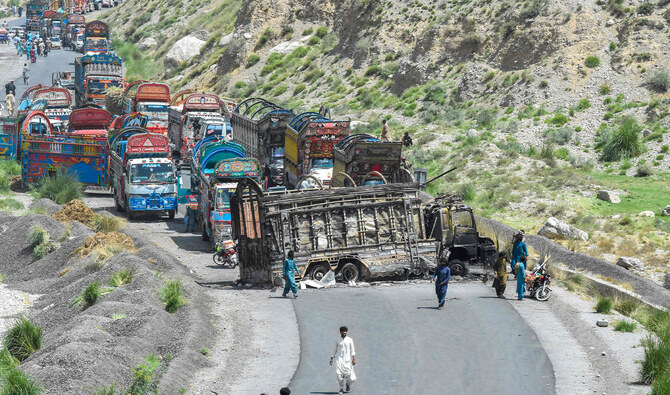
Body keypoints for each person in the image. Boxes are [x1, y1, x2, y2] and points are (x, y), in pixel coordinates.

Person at [330, 326, 356, 394]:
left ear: (347, 332)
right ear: (340, 332)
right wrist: (331, 358)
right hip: (339, 360)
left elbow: (352, 350)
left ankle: (348, 384)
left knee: (350, 376)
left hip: (347, 361)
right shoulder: (337, 340)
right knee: (338, 374)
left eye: (345, 331)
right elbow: (334, 349)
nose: (344, 332)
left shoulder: (350, 340)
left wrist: (354, 359)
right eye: (343, 331)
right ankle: (341, 388)